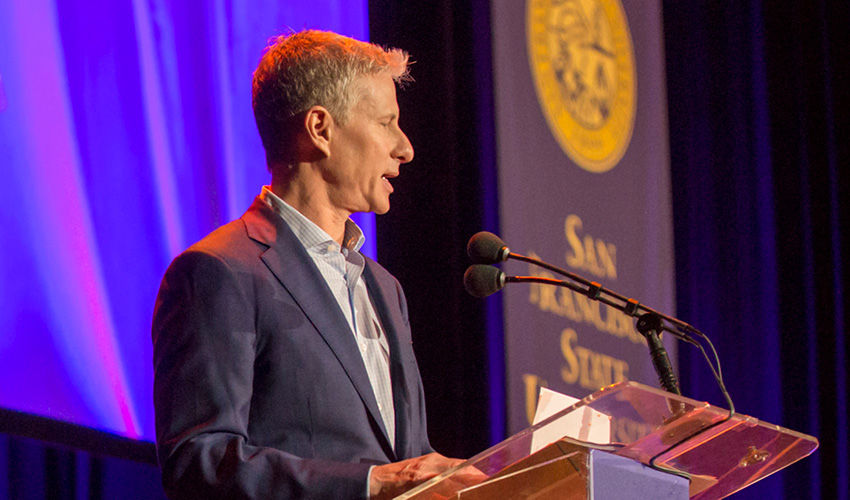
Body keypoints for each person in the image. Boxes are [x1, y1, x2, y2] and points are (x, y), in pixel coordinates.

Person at [152, 30, 465, 499]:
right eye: (386, 123)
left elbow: (410, 464)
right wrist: (371, 483)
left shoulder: (385, 288)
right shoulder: (220, 272)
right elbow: (200, 464)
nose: (406, 148)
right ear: (320, 129)